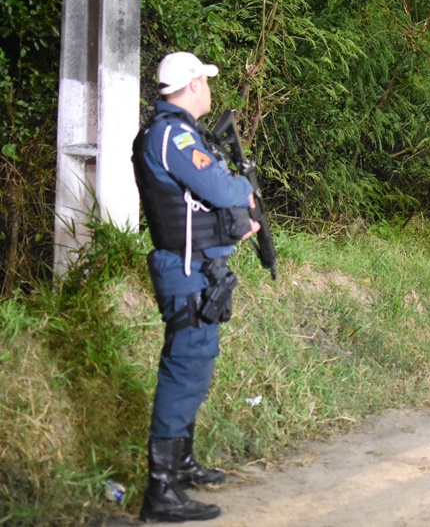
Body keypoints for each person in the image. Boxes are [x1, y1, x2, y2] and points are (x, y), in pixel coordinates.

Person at [131, 52, 261, 523]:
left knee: (196, 364)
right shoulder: (173, 134)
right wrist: (239, 193)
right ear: (190, 86)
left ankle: (180, 466)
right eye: (204, 81)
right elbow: (222, 190)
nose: (209, 88)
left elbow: (203, 200)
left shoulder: (178, 133)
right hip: (185, 272)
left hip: (200, 270)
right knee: (185, 368)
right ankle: (161, 491)